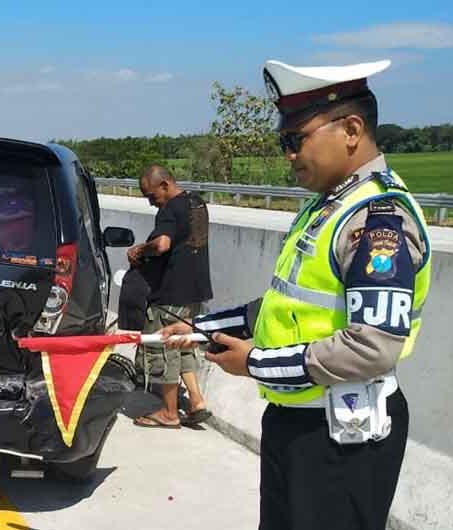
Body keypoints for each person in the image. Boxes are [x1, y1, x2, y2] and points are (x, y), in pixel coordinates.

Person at [160, 59, 431, 530]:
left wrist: (256, 364)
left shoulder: (376, 220)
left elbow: (372, 346)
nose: (288, 154)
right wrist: (203, 326)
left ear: (351, 129)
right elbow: (291, 305)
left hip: (342, 436)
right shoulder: (326, 208)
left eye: (295, 140)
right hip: (296, 420)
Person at [127, 165, 213, 428]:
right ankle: (197, 402)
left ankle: (169, 412)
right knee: (184, 344)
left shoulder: (169, 209)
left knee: (162, 349)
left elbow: (162, 244)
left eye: (152, 196)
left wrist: (141, 249)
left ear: (165, 185)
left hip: (171, 290)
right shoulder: (197, 203)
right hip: (196, 289)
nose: (153, 203)